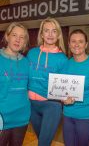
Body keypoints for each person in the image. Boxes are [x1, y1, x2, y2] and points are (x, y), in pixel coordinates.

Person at [27, 17, 67, 146]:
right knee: (42, 140)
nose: (50, 34)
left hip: (51, 106)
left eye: (54, 31)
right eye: (46, 31)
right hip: (31, 105)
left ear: (58, 35)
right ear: (42, 34)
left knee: (43, 143)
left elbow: (64, 87)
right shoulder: (32, 53)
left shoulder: (62, 59)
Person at [62, 29, 89, 146]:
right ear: (69, 44)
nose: (77, 44)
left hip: (87, 117)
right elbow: (62, 90)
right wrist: (62, 98)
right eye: (73, 41)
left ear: (86, 44)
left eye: (80, 41)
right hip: (67, 115)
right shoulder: (66, 64)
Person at [0, 22, 31, 146]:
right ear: (7, 37)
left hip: (21, 118)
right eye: (14, 35)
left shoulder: (26, 62)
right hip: (2, 119)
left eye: (22, 37)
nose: (18, 40)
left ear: (24, 42)